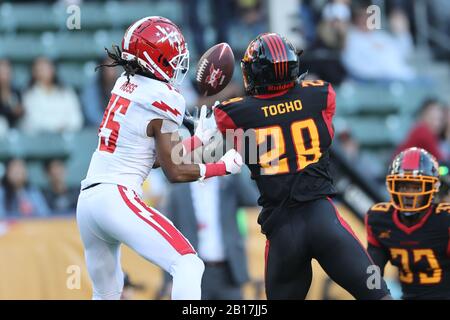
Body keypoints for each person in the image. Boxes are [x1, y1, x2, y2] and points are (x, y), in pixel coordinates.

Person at [212, 33, 391, 299]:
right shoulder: (321, 94)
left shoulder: (232, 113)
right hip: (325, 222)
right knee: (379, 296)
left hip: (283, 233)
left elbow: (226, 143)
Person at [76, 16, 243, 300]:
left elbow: (152, 158)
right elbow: (174, 172)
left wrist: (198, 140)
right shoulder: (164, 96)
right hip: (117, 197)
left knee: (106, 295)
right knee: (188, 264)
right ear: (156, 58)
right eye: (172, 58)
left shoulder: (124, 83)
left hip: (89, 202)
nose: (177, 65)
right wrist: (222, 166)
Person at [365, 147, 450, 299]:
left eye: (416, 187)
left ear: (432, 187)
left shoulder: (444, 220)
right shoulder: (379, 219)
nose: (409, 194)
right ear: (392, 185)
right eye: (404, 186)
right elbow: (372, 276)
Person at [163, 171, 259, 300]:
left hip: (228, 272)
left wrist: (235, 170)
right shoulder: (177, 191)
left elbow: (253, 200)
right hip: (193, 274)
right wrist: (169, 279)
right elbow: (168, 235)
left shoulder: (228, 185)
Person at [20, 57, 83, 133]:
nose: (44, 72)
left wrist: (65, 128)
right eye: (40, 69)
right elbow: (33, 121)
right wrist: (55, 128)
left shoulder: (67, 92)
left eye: (47, 68)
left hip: (66, 137)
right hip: (39, 139)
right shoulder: (29, 94)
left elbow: (76, 119)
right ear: (34, 72)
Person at [0, 59, 24, 132]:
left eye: (6, 72)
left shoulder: (16, 92)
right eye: (1, 72)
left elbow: (19, 113)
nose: (4, 76)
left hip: (13, 129)